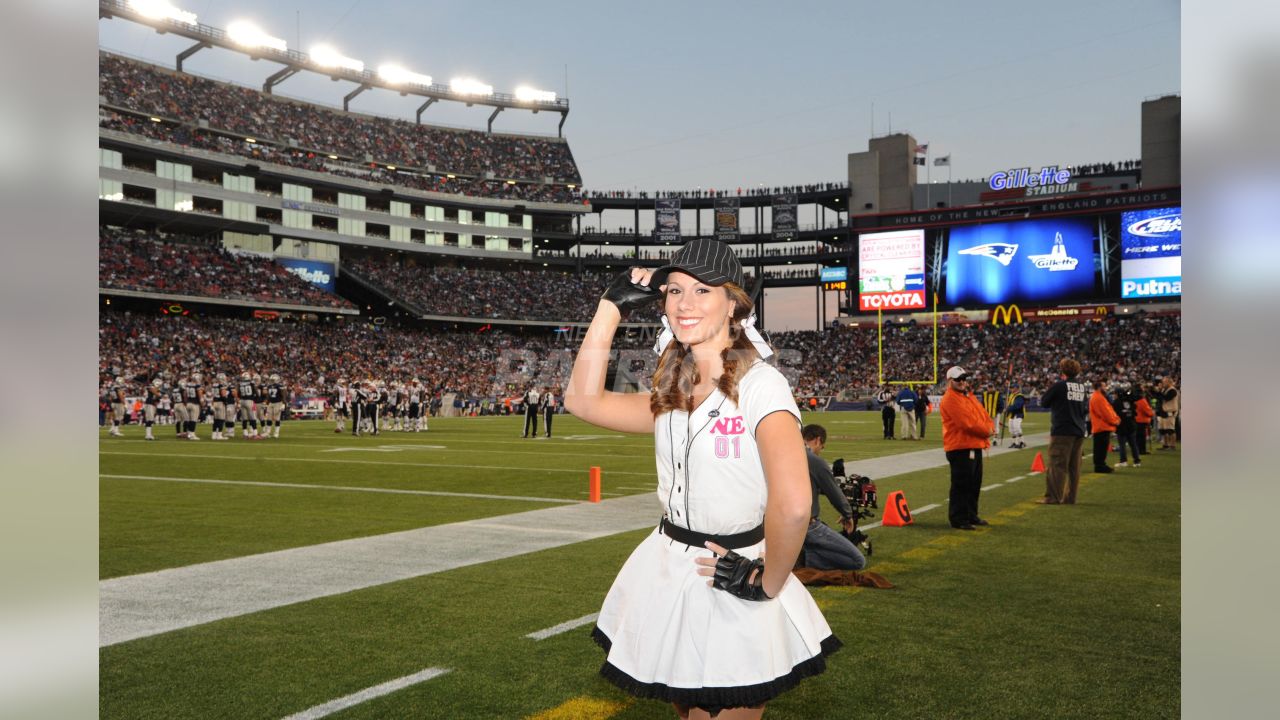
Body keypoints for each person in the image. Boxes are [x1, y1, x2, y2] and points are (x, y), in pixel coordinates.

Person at [565, 238, 838, 718]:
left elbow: (794, 505)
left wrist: (768, 581)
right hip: (670, 571)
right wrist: (609, 308)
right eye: (673, 291)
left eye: (702, 290)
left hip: (730, 574)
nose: (684, 303)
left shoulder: (762, 385)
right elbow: (583, 401)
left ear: (733, 302)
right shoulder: (672, 385)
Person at [799, 424, 865, 571]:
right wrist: (847, 514)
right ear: (817, 440)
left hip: (780, 526)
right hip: (806, 526)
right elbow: (834, 493)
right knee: (857, 561)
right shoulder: (814, 461)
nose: (820, 451)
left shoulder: (784, 455)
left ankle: (802, 554)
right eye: (821, 447)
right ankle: (806, 560)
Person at [940, 366, 994, 530]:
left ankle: (970, 515)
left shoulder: (967, 396)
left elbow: (983, 415)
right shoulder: (951, 399)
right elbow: (967, 423)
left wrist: (989, 427)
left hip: (973, 444)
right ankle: (959, 518)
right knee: (962, 484)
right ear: (950, 381)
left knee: (974, 484)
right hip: (960, 446)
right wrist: (988, 431)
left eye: (964, 378)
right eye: (959, 379)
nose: (963, 382)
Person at [1038, 358, 1089, 505]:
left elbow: (1044, 402)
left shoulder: (1060, 386)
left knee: (1057, 465)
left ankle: (1053, 497)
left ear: (1062, 370)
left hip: (1062, 431)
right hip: (1079, 430)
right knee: (1074, 467)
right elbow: (1085, 408)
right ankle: (1070, 497)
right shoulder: (1082, 387)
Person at [1090, 379, 1120, 473]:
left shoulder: (1099, 396)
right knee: (1101, 449)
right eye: (1104, 386)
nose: (1106, 388)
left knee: (1100, 448)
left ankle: (1100, 465)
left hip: (1101, 427)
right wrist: (1116, 421)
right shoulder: (1098, 397)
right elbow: (1106, 413)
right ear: (1099, 387)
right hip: (1101, 427)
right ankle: (1100, 466)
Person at [1113, 382, 1142, 467]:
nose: (1114, 395)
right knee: (1133, 444)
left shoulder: (1116, 402)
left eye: (1114, 393)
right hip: (1131, 424)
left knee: (1122, 445)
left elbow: (1115, 414)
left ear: (1117, 394)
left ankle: (1123, 461)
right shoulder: (1129, 400)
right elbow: (1135, 409)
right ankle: (1137, 461)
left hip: (1122, 425)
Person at [1156, 377, 1179, 450]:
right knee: (1163, 430)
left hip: (1170, 411)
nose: (1163, 383)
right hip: (1163, 411)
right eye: (1163, 381)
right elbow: (1159, 398)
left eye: (1165, 382)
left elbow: (1166, 398)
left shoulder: (1173, 390)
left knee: (1170, 430)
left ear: (1169, 382)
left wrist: (1159, 391)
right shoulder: (1164, 389)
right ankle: (1165, 445)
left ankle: (1172, 446)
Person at [1135, 389, 1155, 455]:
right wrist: (1152, 412)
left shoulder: (1135, 400)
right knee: (1142, 437)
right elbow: (1148, 412)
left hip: (1136, 420)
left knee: (1138, 437)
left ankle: (1137, 450)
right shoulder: (1142, 401)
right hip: (1142, 421)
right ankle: (1142, 450)